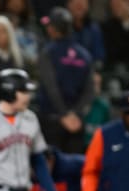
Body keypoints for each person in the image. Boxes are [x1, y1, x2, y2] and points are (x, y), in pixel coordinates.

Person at [37, 7, 94, 154]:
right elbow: (89, 92)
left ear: (53, 29)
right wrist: (74, 114)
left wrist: (63, 115)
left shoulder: (48, 52)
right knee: (73, 170)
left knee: (52, 170)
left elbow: (51, 88)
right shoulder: (85, 55)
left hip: (52, 121)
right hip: (76, 122)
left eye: (49, 25)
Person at [67, 0, 105, 64]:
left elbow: (99, 55)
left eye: (82, 3)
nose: (79, 5)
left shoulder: (94, 29)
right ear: (69, 5)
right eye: (76, 4)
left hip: (89, 69)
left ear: (87, 6)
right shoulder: (63, 29)